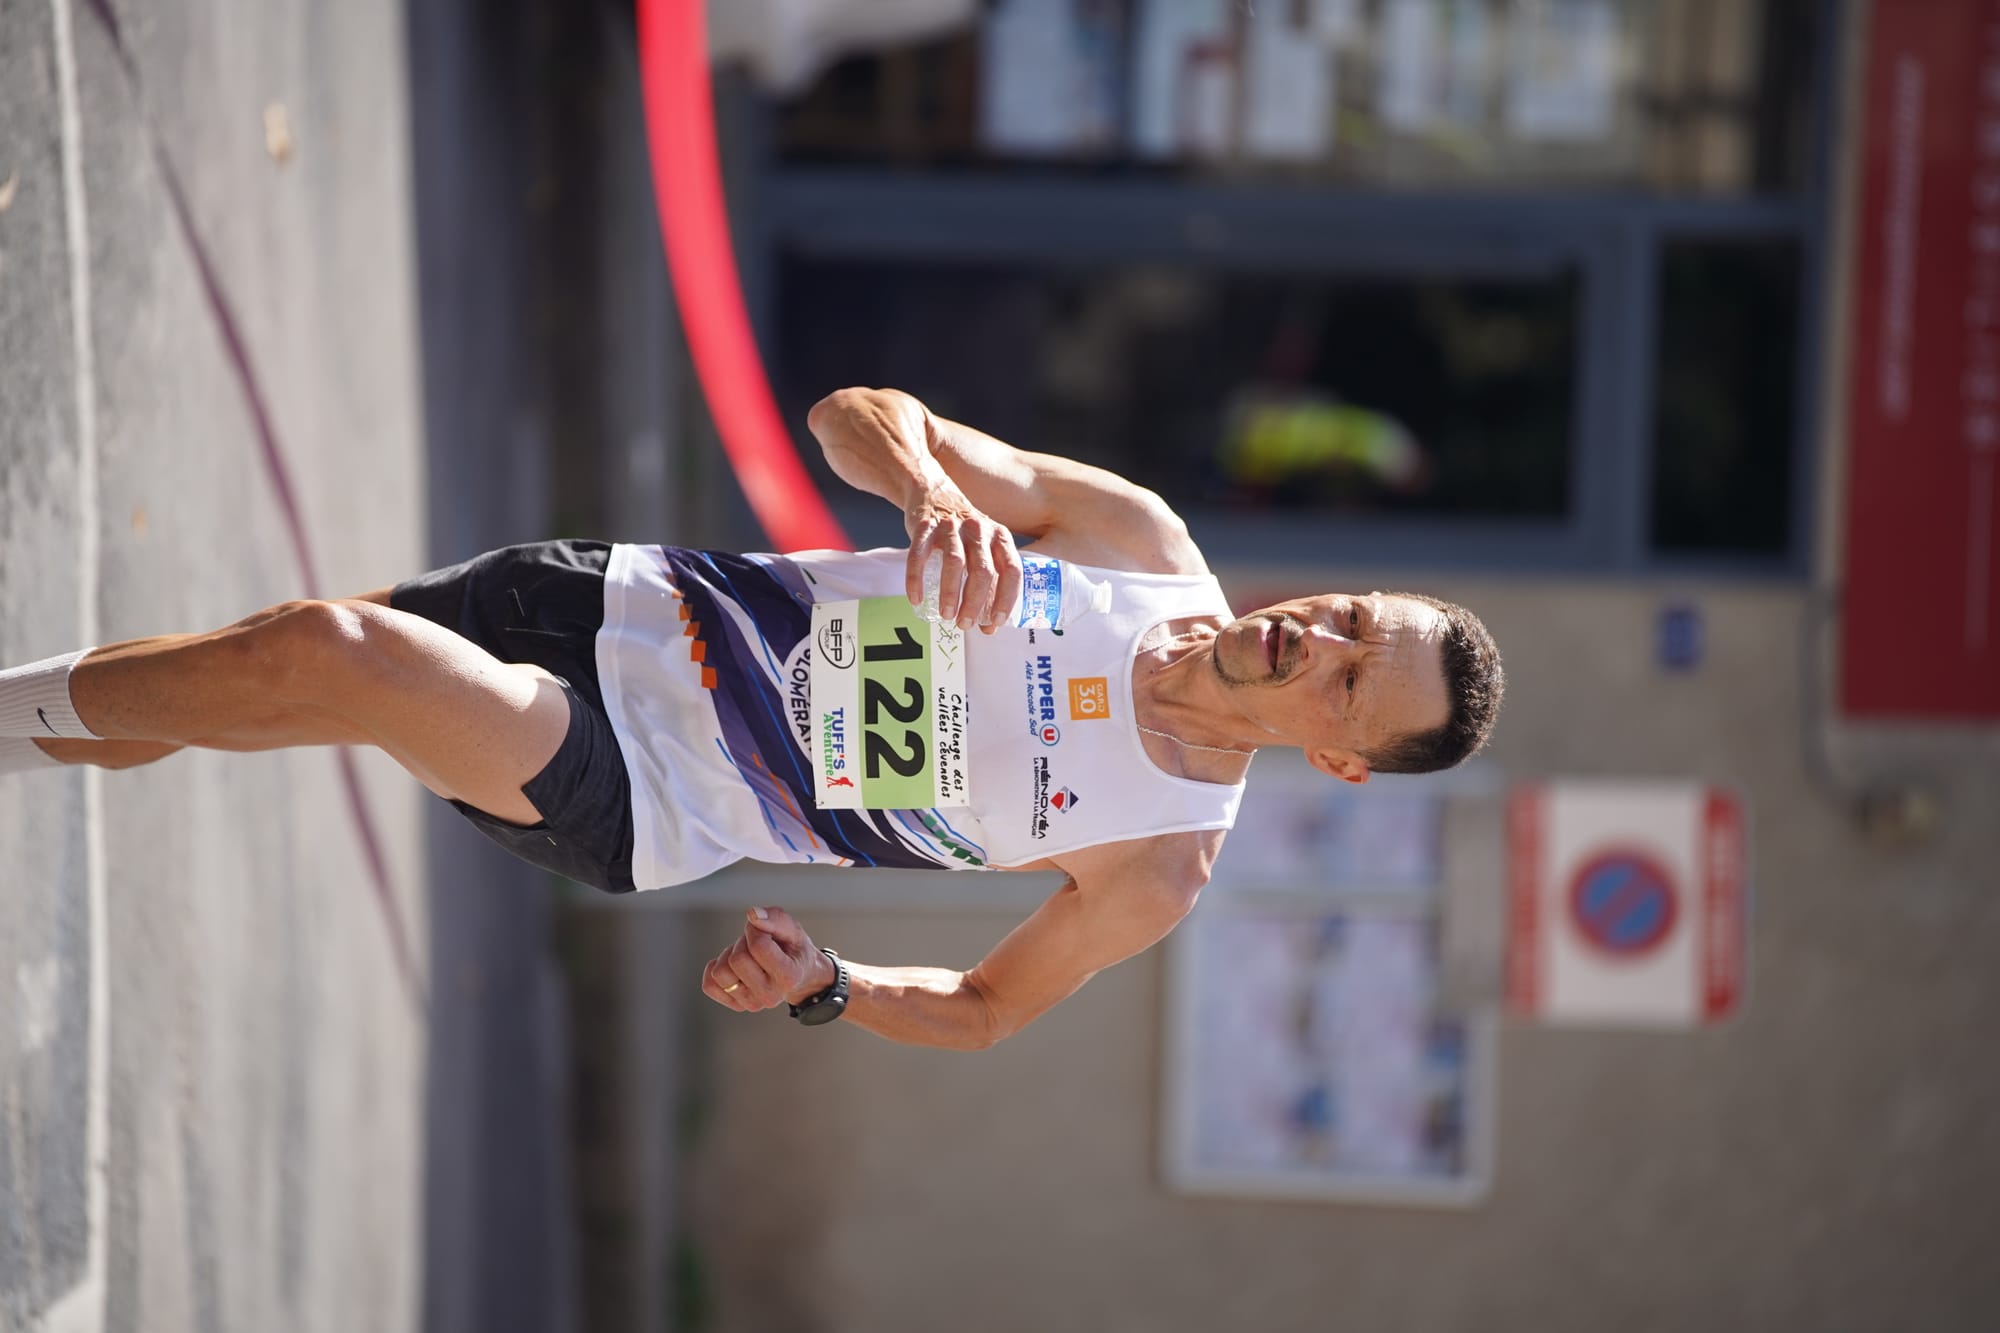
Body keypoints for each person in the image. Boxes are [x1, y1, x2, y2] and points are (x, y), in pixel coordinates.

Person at [0, 387, 1502, 1048]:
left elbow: (987, 1013)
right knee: (265, 664)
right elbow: (853, 413)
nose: (1324, 637)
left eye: (1352, 677)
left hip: (639, 792)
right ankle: (26, 723)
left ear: (1337, 753)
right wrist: (925, 492)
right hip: (607, 602)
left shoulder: (1162, 862)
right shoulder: (1137, 541)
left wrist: (825, 981)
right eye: (1356, 616)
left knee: (340, 654)